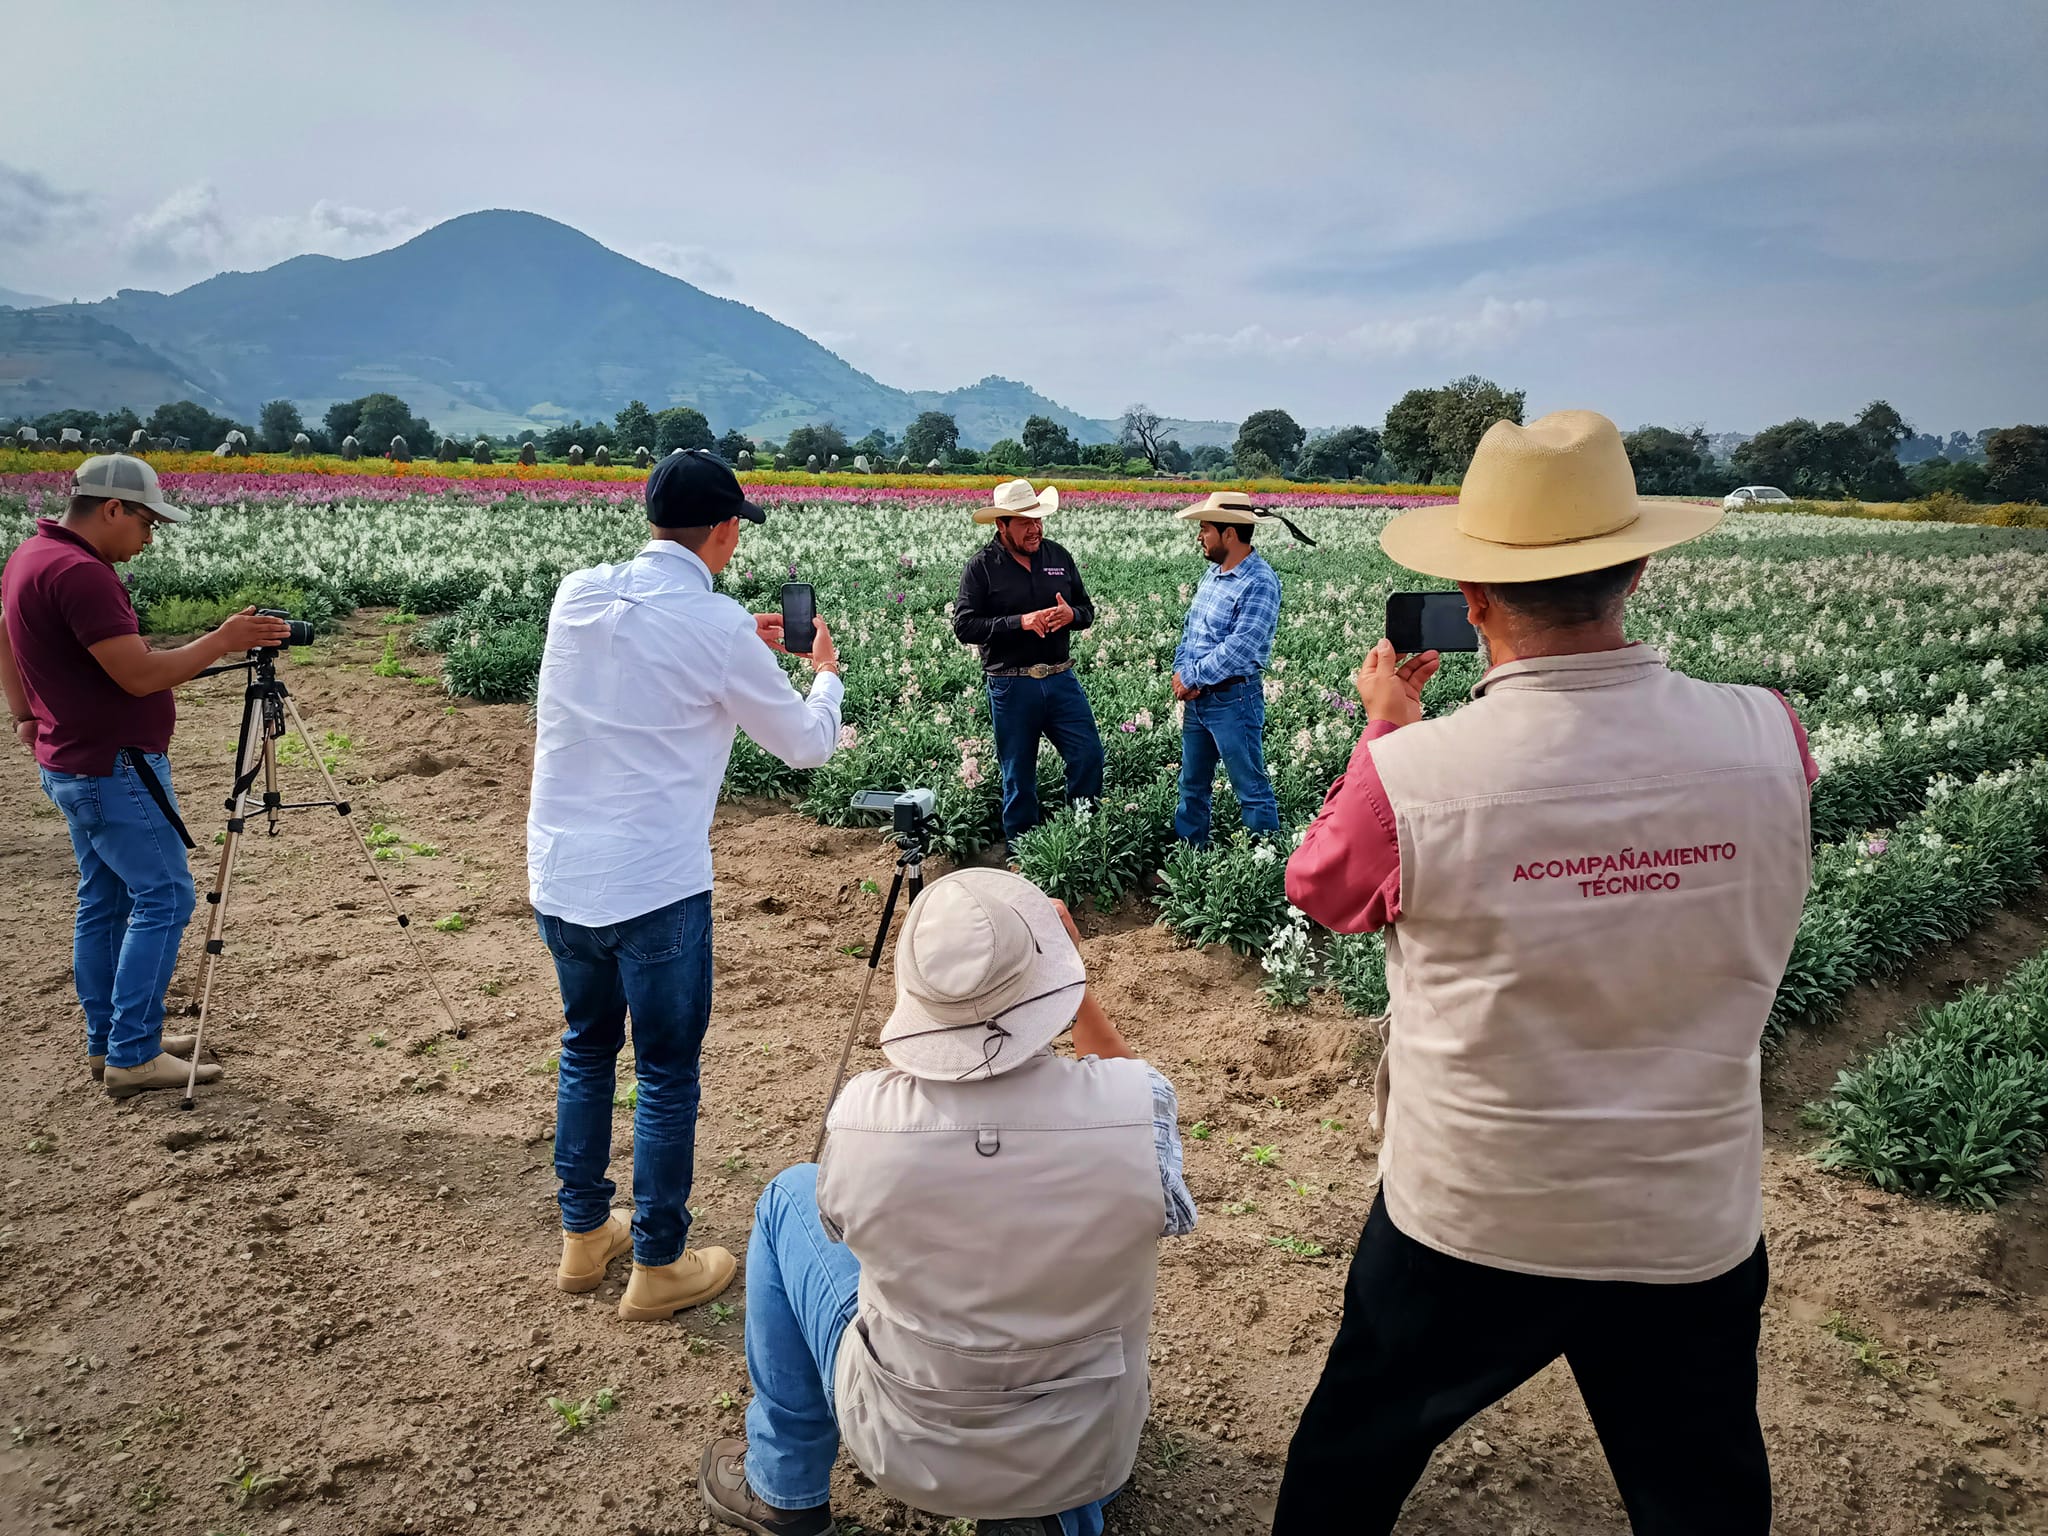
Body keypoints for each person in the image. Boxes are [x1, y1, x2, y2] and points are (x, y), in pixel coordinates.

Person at [1270, 411, 1820, 1534]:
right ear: (1638, 570)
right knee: (1699, 1490)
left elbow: (1323, 894)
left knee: (1349, 1461)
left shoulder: (1415, 772)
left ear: (1470, 600)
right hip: (1683, 1210)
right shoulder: (1771, 735)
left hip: (1475, 1207)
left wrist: (1384, 730)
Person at [697, 868, 1197, 1536]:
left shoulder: (862, 1121)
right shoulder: (1139, 1112)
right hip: (1086, 1437)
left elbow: (840, 1224)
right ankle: (1053, 1513)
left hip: (905, 1438)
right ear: (1054, 976)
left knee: (789, 1196)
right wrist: (1076, 989)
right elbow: (1126, 1089)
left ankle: (783, 1486)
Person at [527, 448, 844, 1321]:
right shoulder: (714, 631)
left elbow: (651, 638)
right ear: (725, 532)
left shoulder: (578, 594)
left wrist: (728, 630)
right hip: (654, 882)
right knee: (666, 1072)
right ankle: (659, 1263)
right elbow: (805, 746)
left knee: (587, 1047)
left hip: (560, 873)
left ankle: (584, 1235)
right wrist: (825, 673)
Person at [1, 454, 290, 1096]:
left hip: (73, 760)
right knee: (166, 897)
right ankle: (134, 1052)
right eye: (146, 522)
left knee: (104, 901)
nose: (150, 537)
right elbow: (138, 674)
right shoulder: (83, 573)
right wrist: (222, 639)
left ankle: (114, 1041)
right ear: (111, 509)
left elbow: (4, 634)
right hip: (115, 766)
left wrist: (26, 716)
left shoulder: (32, 555)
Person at [951, 479, 1103, 852]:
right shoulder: (982, 568)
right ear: (1001, 525)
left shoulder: (1058, 557)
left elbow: (1087, 610)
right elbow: (965, 626)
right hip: (1011, 684)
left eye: (1037, 520)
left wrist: (1072, 615)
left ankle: (1082, 831)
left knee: (1088, 755)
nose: (1035, 528)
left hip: (1060, 677)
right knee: (1018, 773)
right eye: (1025, 522)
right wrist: (1020, 621)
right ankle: (1024, 850)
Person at [1168, 491, 1286, 845]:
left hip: (1234, 700)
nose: (1199, 537)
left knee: (1250, 787)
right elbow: (1192, 630)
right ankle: (1190, 857)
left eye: (1205, 529)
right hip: (1199, 701)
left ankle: (1260, 867)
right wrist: (1181, 671)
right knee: (1192, 784)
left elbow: (1239, 648)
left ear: (1229, 534)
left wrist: (1190, 676)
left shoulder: (1260, 582)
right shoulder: (1213, 574)